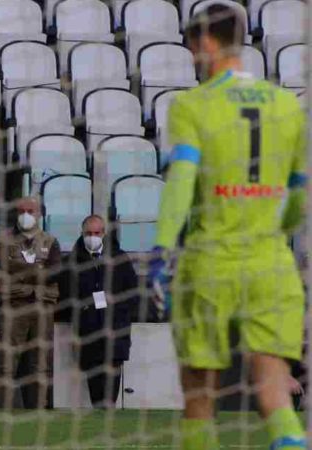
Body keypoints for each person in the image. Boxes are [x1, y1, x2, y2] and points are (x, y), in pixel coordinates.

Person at [148, 5, 307, 449]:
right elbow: (300, 193)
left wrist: (162, 249)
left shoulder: (192, 105)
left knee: (199, 397)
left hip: (210, 261)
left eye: (191, 49)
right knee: (275, 392)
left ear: (207, 44)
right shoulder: (285, 104)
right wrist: (279, 229)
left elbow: (181, 180)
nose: (192, 60)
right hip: (271, 263)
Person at [59, 215, 137, 408]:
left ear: (103, 233)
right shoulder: (72, 262)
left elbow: (132, 291)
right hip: (88, 331)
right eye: (88, 233)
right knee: (94, 383)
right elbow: (67, 294)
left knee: (112, 380)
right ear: (81, 233)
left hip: (115, 329)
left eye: (96, 233)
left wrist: (120, 311)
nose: (92, 237)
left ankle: (110, 413)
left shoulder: (120, 258)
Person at [0, 196, 61, 409]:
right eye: (22, 210)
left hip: (43, 307)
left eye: (30, 211)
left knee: (40, 363)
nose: (26, 215)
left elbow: (55, 272)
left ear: (40, 214)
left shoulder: (51, 241)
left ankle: (38, 408)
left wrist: (20, 271)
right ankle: (2, 410)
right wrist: (38, 270)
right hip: (13, 306)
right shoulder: (3, 241)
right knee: (7, 361)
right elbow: (5, 267)